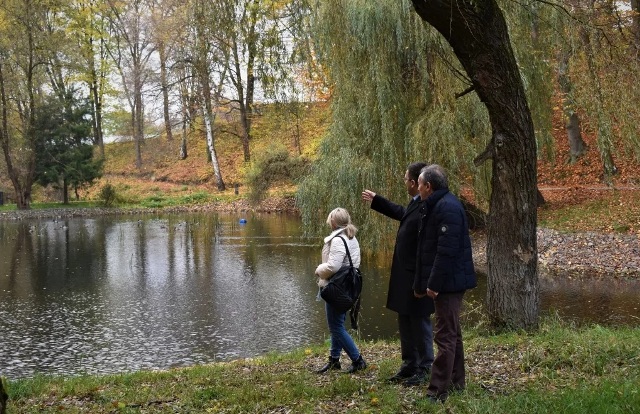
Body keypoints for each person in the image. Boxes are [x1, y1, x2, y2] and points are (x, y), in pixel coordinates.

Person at [361, 162, 434, 386]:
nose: (405, 183)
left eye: (406, 180)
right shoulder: (415, 204)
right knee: (405, 319)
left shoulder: (427, 207)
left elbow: (428, 246)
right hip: (404, 277)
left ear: (415, 183)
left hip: (417, 276)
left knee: (419, 322)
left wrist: (424, 279)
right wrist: (378, 201)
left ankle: (425, 367)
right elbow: (403, 214)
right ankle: (409, 364)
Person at [413, 164, 477, 403]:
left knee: (444, 336)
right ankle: (457, 381)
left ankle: (437, 390)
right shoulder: (438, 204)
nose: (417, 188)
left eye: (419, 184)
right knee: (453, 333)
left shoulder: (446, 207)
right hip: (449, 281)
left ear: (428, 186)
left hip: (449, 283)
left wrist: (433, 283)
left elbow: (446, 251)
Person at [314, 207, 367, 374]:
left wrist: (318, 270)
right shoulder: (352, 237)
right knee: (337, 324)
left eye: (330, 219)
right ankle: (334, 360)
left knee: (336, 327)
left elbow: (333, 266)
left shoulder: (338, 240)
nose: (329, 222)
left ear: (334, 222)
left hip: (337, 287)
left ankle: (358, 360)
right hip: (348, 287)